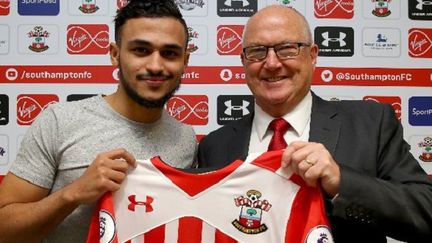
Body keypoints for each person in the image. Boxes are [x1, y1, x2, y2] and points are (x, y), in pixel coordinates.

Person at [197, 5, 432, 243]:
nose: (271, 63)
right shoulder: (215, 146)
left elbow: (426, 211)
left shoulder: (370, 124)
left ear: (312, 55)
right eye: (257, 51)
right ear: (243, 62)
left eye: (286, 49)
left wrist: (341, 181)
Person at [0, 1, 196, 242]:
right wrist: (72, 194)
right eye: (141, 50)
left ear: (185, 61)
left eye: (169, 53)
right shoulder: (60, 121)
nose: (155, 66)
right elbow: (4, 229)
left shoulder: (186, 139)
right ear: (115, 55)